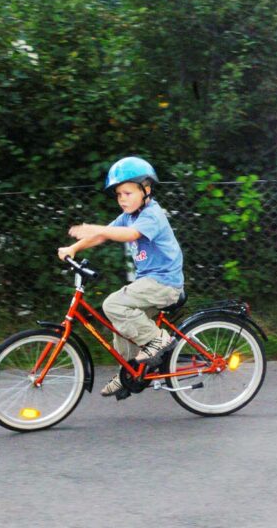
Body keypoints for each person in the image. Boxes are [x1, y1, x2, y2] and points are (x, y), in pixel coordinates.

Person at [57, 156, 184, 398]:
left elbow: (128, 234)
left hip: (165, 283)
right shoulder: (129, 215)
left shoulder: (152, 214)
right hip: (149, 282)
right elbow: (104, 236)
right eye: (118, 194)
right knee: (122, 324)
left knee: (112, 304)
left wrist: (96, 228)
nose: (122, 198)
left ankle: (159, 340)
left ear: (146, 190)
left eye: (127, 192)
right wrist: (74, 248)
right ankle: (131, 371)